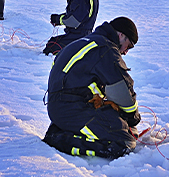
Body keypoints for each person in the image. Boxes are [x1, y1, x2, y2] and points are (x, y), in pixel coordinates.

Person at [43, 17, 141, 159]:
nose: (126, 52)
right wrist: (133, 118)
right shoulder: (106, 49)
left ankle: (62, 129)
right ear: (121, 35)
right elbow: (123, 90)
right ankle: (58, 139)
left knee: (119, 123)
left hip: (61, 108)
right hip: (71, 109)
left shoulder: (85, 42)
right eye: (129, 45)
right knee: (124, 141)